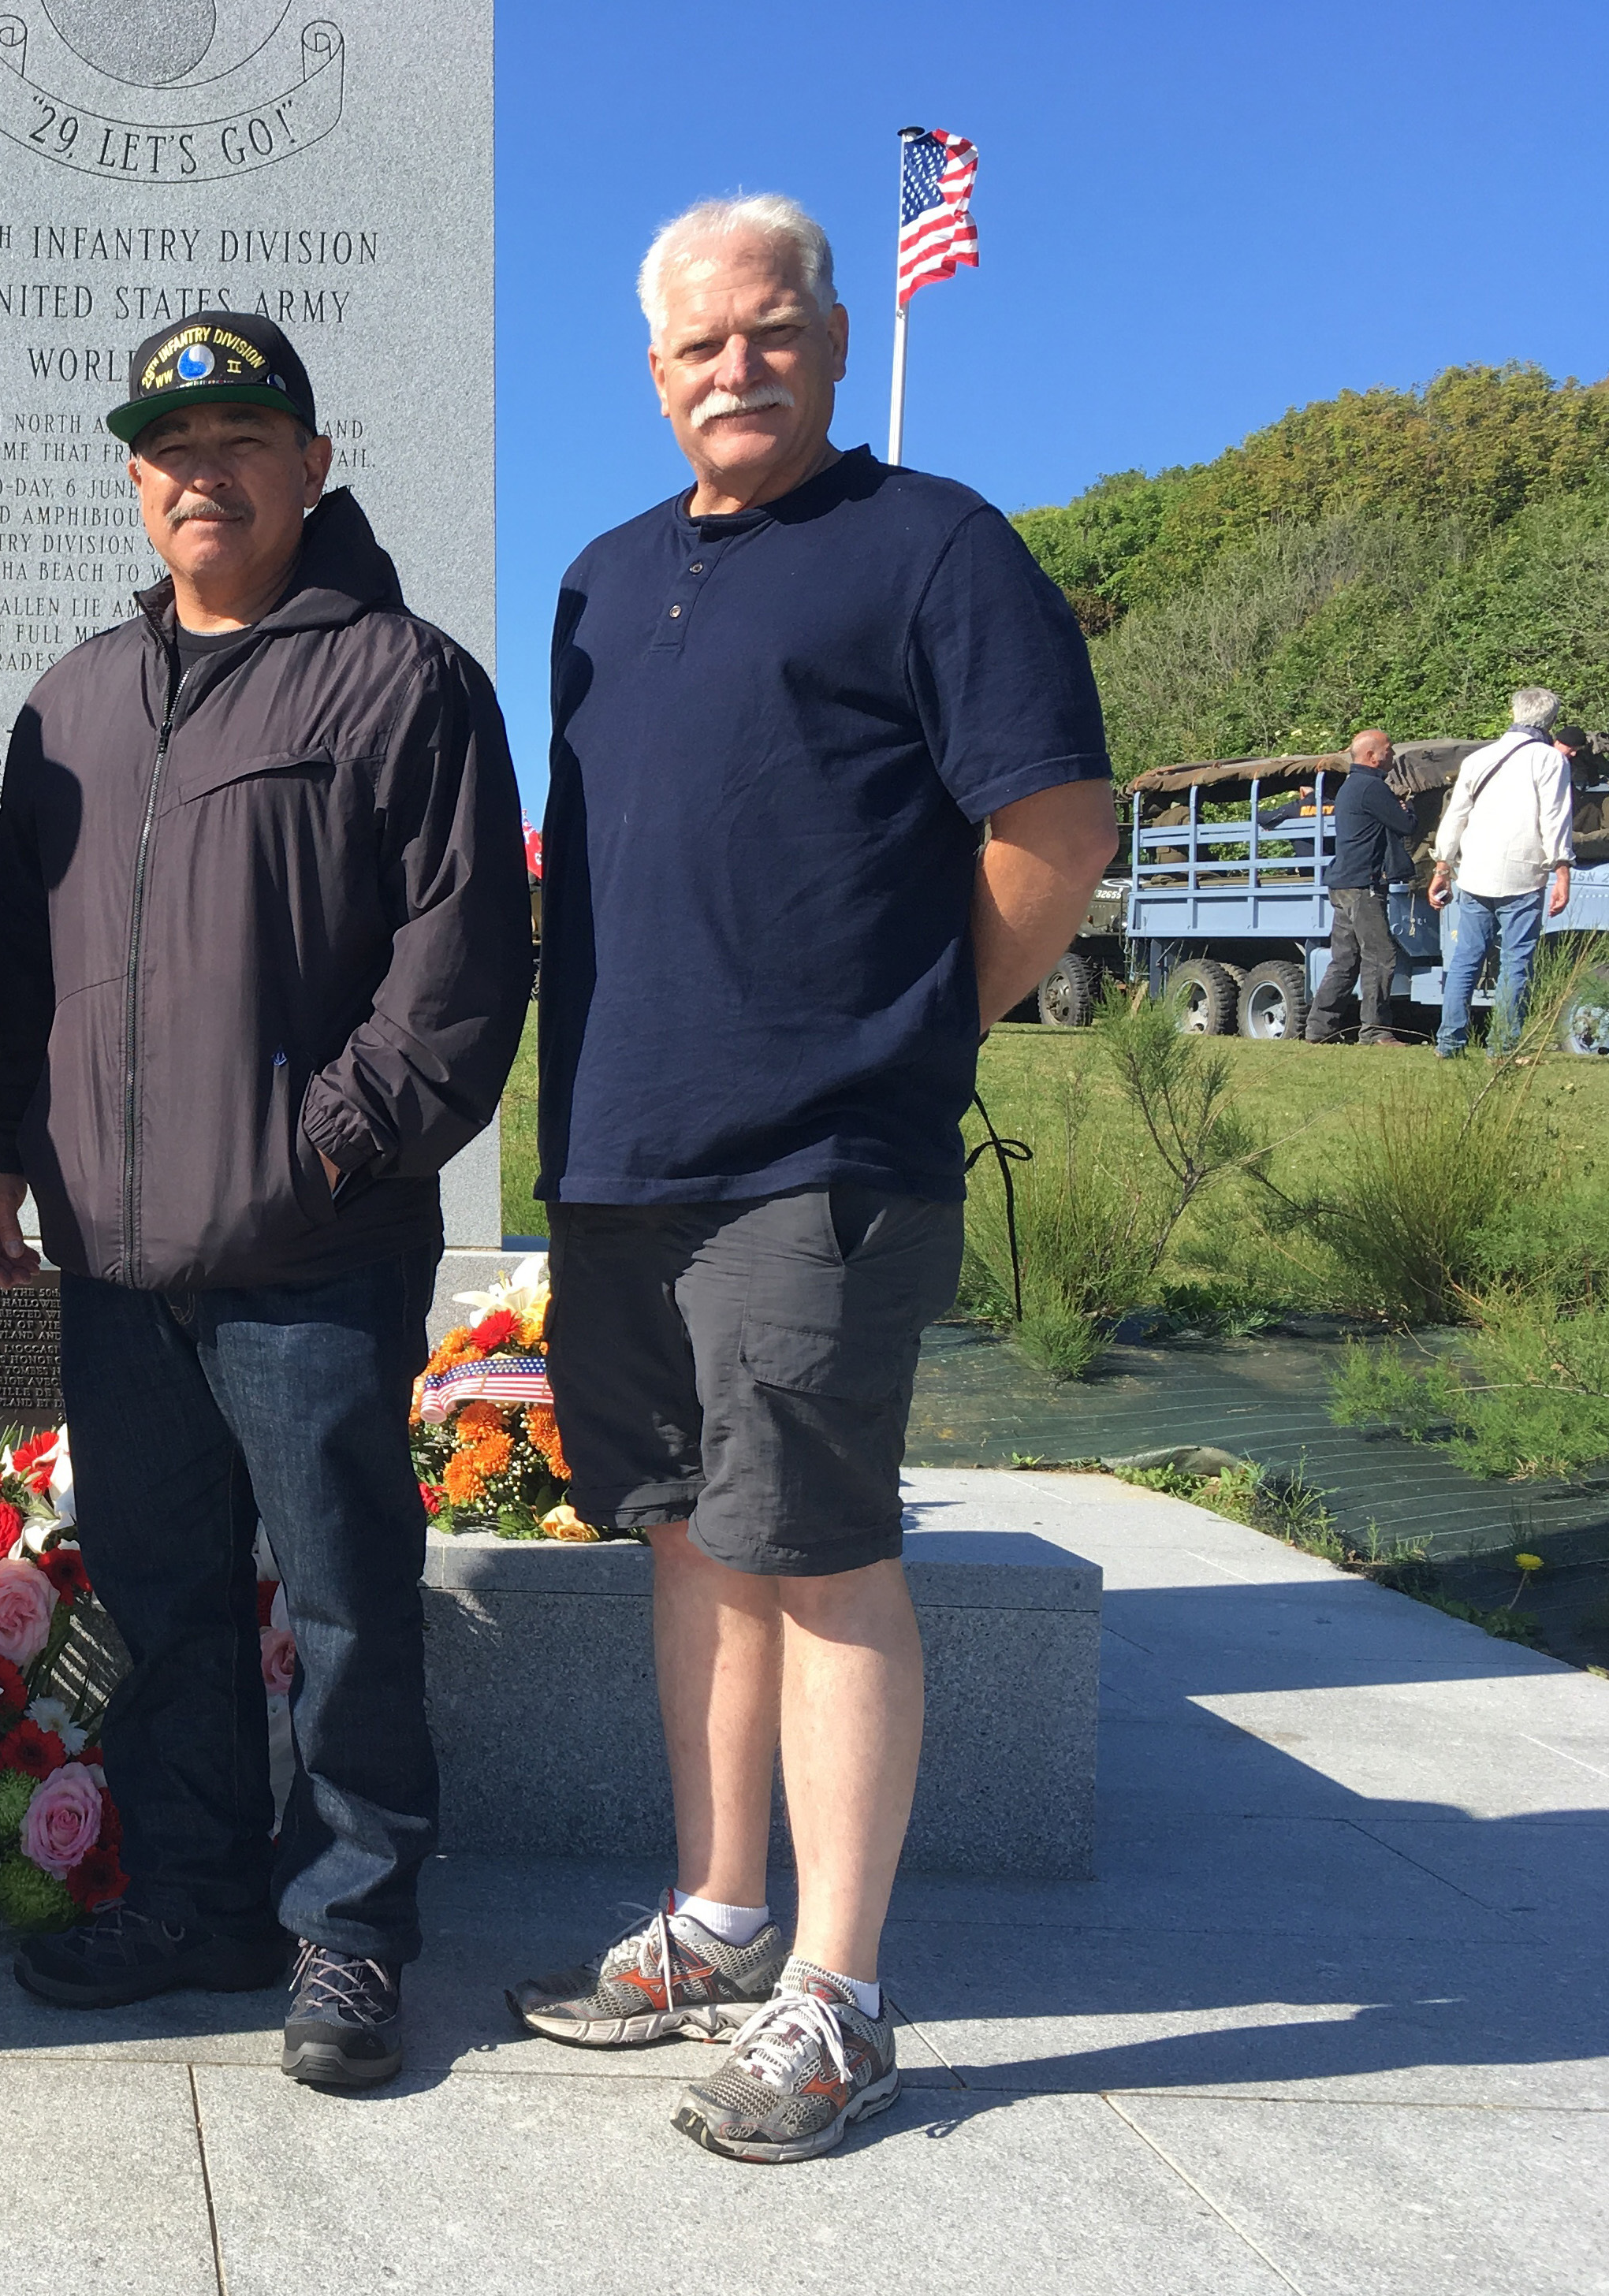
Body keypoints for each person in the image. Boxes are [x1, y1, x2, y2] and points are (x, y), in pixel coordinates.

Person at [505, 195, 1117, 2163]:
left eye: (767, 332)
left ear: (835, 340)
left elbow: (1057, 816)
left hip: (816, 1159)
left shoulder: (934, 548)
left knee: (825, 1553)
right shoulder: (599, 582)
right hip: (618, 1153)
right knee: (689, 1534)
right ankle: (717, 1910)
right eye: (693, 346)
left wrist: (920, 1031)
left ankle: (839, 1995)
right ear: (655, 370)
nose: (731, 369)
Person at [0, 313, 532, 2089]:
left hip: (305, 1250)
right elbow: (27, 965)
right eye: (167, 444)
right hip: (118, 1261)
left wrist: (327, 1152)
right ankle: (198, 1894)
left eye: (238, 439)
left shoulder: (398, 677)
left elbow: (459, 973)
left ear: (309, 459)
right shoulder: (68, 698)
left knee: (346, 1598)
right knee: (168, 1597)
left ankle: (350, 1929)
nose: (198, 472)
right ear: (134, 475)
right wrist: (4, 1148)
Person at [1429, 687, 1574, 1056]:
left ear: (1514, 712)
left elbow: (1456, 814)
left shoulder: (1479, 759)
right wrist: (1562, 872)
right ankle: (1505, 1045)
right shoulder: (1550, 760)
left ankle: (1449, 1042)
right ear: (1550, 720)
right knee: (1516, 962)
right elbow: (1555, 819)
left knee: (1466, 960)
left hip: (1476, 871)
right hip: (1524, 874)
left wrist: (1443, 865)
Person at [1302, 730, 1413, 1046]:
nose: (1392, 754)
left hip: (1343, 882)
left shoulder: (1350, 787)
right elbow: (1406, 826)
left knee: (1345, 959)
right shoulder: (1372, 787)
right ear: (1371, 755)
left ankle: (1319, 1028)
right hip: (1364, 884)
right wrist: (1409, 808)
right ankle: (1375, 1031)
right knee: (1380, 955)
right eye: (1388, 750)